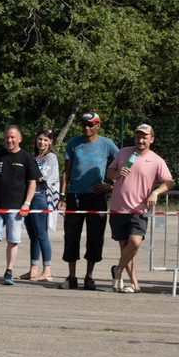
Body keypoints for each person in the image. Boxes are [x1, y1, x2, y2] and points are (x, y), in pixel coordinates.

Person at [107, 124, 172, 293]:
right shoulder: (123, 153)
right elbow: (109, 172)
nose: (140, 140)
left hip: (139, 209)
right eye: (138, 136)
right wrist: (117, 173)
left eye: (144, 137)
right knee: (125, 248)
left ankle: (118, 270)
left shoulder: (156, 160)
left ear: (151, 139)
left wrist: (156, 192)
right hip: (118, 207)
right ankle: (134, 283)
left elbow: (169, 182)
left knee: (134, 244)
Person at [0, 125, 39, 286]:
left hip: (17, 208)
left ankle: (9, 272)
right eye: (6, 138)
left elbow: (32, 183)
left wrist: (26, 204)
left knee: (13, 240)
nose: (9, 140)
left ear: (19, 139)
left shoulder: (27, 158)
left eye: (12, 137)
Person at [61, 113, 119, 290]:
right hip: (75, 196)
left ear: (98, 125)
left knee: (95, 237)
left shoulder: (107, 144)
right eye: (84, 124)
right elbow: (66, 171)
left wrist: (110, 186)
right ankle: (71, 277)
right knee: (71, 236)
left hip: (96, 197)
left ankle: (89, 276)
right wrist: (62, 196)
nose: (87, 127)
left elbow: (124, 167)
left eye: (91, 124)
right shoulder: (73, 143)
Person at [23, 128, 59, 283]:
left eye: (45, 140)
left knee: (42, 234)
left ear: (50, 142)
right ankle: (33, 270)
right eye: (39, 139)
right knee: (33, 236)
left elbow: (44, 178)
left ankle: (47, 271)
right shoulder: (32, 157)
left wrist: (32, 175)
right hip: (29, 197)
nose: (42, 142)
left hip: (42, 197)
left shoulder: (51, 157)